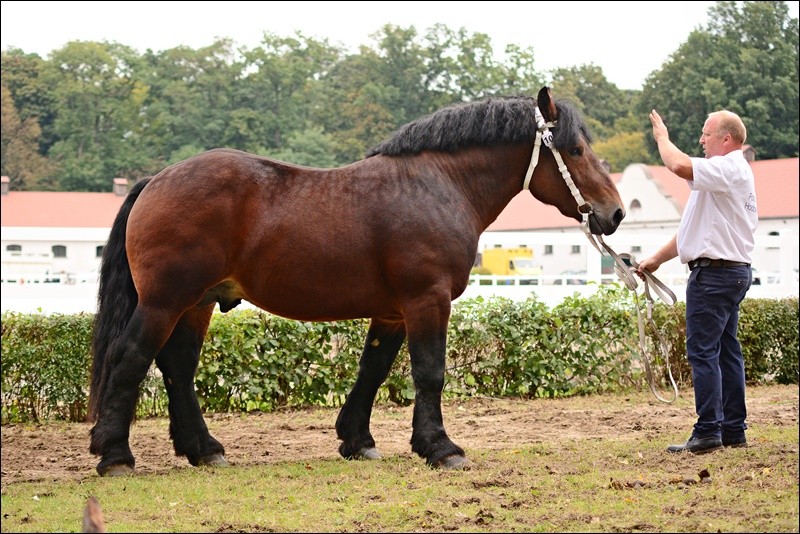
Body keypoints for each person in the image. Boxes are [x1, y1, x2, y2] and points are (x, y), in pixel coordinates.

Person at [636, 108, 758, 454]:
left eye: (707, 134)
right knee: (726, 351)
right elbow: (694, 230)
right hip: (730, 272)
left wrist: (662, 137)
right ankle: (733, 429)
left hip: (715, 274)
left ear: (726, 139)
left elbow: (676, 165)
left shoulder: (728, 168)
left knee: (703, 352)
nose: (701, 140)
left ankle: (707, 431)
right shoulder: (722, 178)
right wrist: (656, 259)